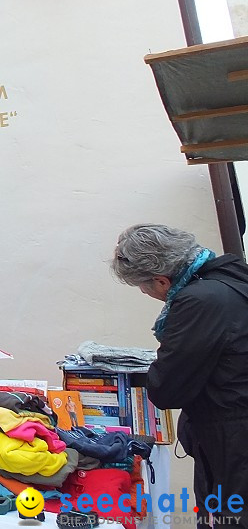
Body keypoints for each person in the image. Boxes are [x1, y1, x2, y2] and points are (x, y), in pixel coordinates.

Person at [111, 224, 248, 524]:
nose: (147, 294)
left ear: (162, 280)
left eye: (143, 287)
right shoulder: (232, 277)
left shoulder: (199, 300)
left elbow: (166, 389)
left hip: (233, 442)